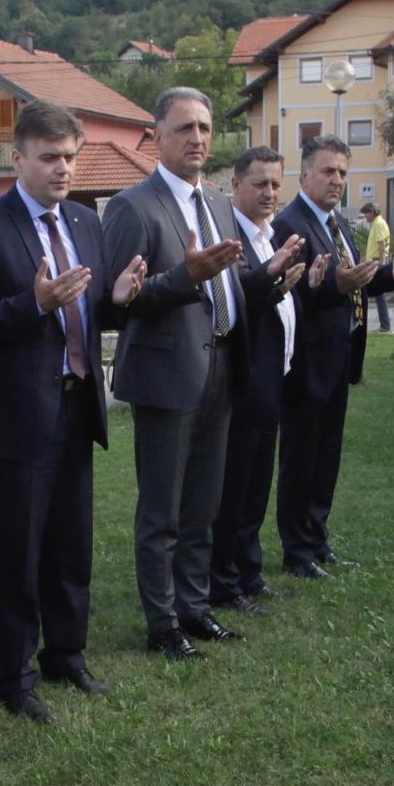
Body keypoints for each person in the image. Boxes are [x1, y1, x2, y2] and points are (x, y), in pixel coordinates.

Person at [0, 100, 142, 721]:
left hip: (78, 404)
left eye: (71, 158)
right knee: (21, 550)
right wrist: (32, 304)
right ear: (19, 157)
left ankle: (67, 655)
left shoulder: (84, 222)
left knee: (70, 544)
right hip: (17, 416)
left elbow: (90, 311)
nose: (63, 169)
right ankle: (14, 674)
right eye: (51, 157)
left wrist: (120, 301)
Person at [100, 88, 253, 661]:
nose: (198, 139)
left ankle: (195, 608)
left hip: (218, 364)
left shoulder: (215, 203)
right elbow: (117, 303)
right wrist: (184, 278)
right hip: (167, 375)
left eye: (206, 129)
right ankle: (161, 623)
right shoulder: (132, 207)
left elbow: (227, 284)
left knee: (202, 504)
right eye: (185, 128)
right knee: (161, 510)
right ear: (157, 135)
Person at [274, 137, 394, 577]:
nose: (337, 181)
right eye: (328, 171)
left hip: (338, 359)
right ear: (305, 175)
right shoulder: (289, 225)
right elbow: (291, 294)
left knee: (326, 456)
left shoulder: (337, 223)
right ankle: (296, 550)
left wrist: (390, 275)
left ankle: (317, 538)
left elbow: (354, 282)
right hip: (306, 363)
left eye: (343, 174)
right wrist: (337, 285)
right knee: (301, 459)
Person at [211, 146, 310, 616]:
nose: (270, 193)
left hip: (272, 379)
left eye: (275, 184)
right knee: (234, 491)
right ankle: (224, 583)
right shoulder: (231, 237)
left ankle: (248, 573)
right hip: (243, 383)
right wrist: (269, 280)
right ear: (236, 185)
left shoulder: (271, 236)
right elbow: (230, 303)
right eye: (259, 184)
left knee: (256, 488)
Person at [361, 202, 394, 332]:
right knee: (377, 294)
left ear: (373, 212)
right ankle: (384, 325)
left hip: (376, 262)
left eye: (367, 213)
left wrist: (380, 261)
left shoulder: (379, 224)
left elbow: (381, 244)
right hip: (374, 260)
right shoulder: (377, 224)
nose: (366, 216)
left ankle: (385, 325)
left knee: (377, 294)